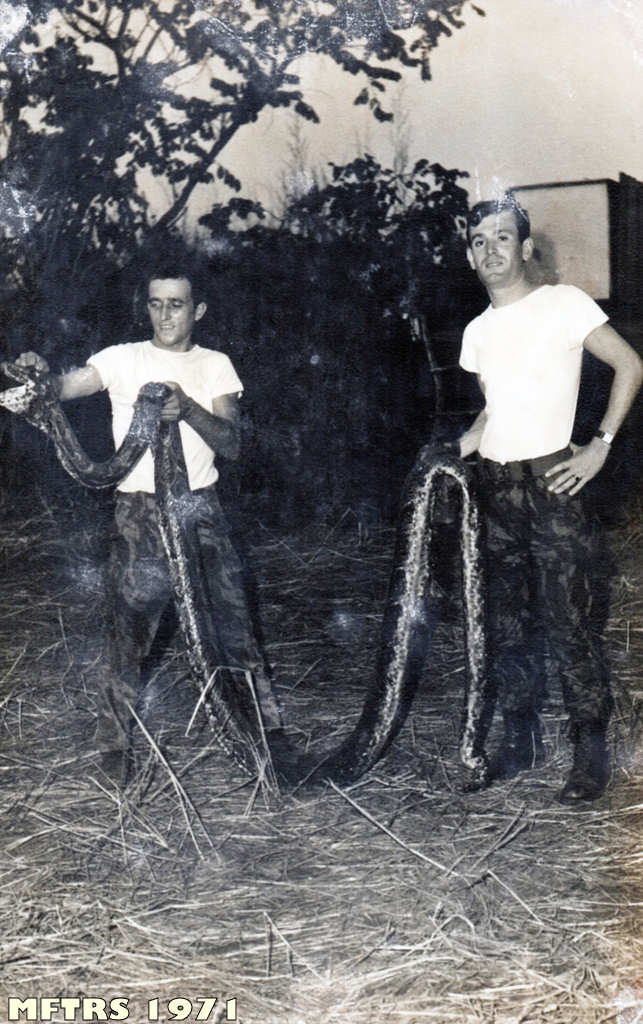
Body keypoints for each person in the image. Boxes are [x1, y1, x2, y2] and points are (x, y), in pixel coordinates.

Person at [17, 261, 283, 784]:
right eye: (156, 304)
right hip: (138, 513)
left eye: (176, 304)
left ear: (198, 310)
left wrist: (188, 410)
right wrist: (38, 375)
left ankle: (269, 739)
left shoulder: (215, 365)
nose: (165, 315)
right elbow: (64, 388)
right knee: (129, 633)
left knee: (234, 629)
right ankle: (113, 750)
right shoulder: (121, 358)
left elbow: (232, 443)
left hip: (200, 510)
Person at [456, 192, 642, 803]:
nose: (491, 249)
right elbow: (497, 406)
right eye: (479, 241)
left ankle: (591, 754)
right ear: (469, 256)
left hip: (554, 483)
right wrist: (462, 444)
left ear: (526, 247)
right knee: (507, 625)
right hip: (496, 490)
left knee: (571, 624)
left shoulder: (563, 303)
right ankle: (522, 740)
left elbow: (630, 365)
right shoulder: (477, 331)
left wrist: (599, 446)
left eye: (502, 237)